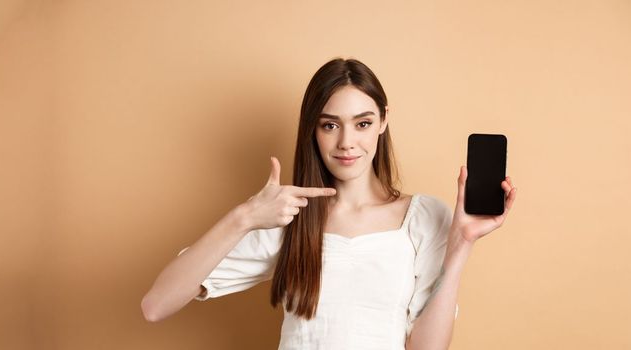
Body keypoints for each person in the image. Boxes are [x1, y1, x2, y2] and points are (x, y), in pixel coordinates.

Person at [140, 58, 516, 349]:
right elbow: (156, 305)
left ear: (384, 121)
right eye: (330, 125)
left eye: (363, 123)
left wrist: (461, 244)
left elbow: (426, 347)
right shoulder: (289, 216)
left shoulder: (425, 217)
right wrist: (244, 217)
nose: (347, 142)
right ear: (313, 130)